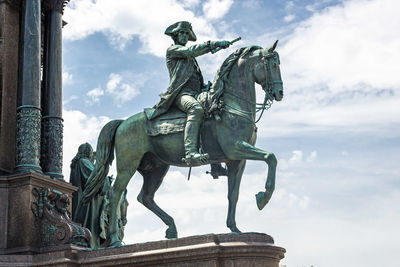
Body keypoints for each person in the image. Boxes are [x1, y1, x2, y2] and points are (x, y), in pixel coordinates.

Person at [149, 21, 230, 174]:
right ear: (175, 35)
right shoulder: (174, 50)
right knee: (195, 109)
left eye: (187, 33)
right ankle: (191, 153)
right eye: (182, 33)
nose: (185, 36)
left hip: (196, 93)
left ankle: (216, 164)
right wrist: (213, 44)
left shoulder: (191, 59)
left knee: (215, 110)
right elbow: (191, 51)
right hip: (181, 94)